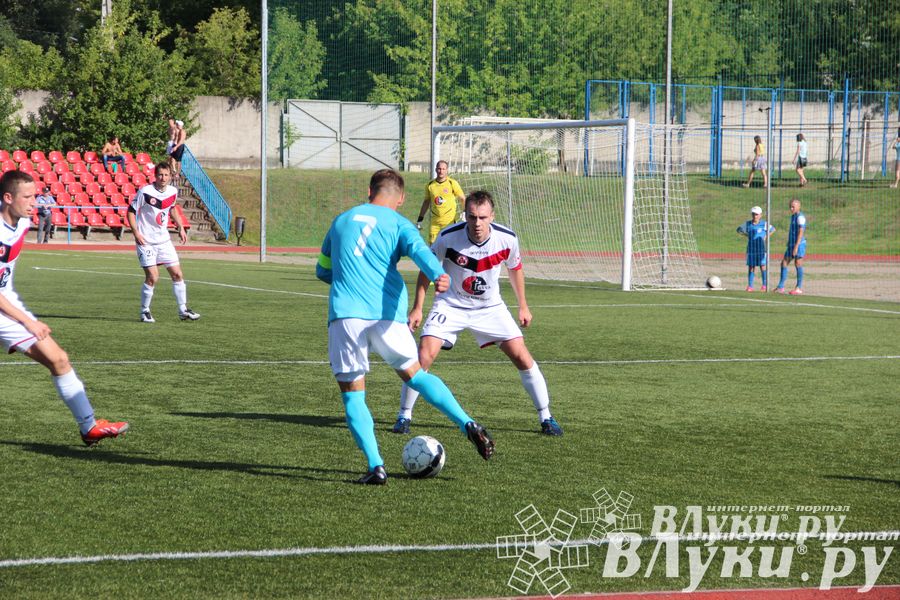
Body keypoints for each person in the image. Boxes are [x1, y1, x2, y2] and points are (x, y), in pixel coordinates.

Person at [316, 169, 494, 485]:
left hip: (345, 316)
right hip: (388, 316)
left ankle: (376, 467)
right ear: (400, 198)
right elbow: (420, 250)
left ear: (369, 191)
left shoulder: (341, 221)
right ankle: (467, 423)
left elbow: (322, 270)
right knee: (415, 375)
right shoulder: (398, 222)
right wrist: (438, 273)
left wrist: (346, 277)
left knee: (353, 396)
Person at [393, 190, 563, 437]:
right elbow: (425, 270)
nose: (477, 223)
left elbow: (515, 269)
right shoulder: (448, 237)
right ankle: (404, 415)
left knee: (522, 357)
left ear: (491, 216)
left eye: (482, 217)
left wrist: (523, 305)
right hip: (451, 304)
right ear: (466, 215)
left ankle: (546, 416)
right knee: (424, 355)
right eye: (472, 217)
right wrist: (418, 307)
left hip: (489, 307)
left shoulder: (507, 239)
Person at [0, 170, 128, 445]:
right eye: (28, 197)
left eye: (35, 196)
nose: (35, 202)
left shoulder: (21, 224)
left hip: (5, 306)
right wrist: (28, 321)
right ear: (8, 198)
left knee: (58, 359)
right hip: (6, 308)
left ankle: (89, 426)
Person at [126, 163, 200, 323]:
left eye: (166, 175)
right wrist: (136, 232)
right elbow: (131, 211)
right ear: (155, 175)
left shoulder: (173, 191)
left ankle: (183, 310)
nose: (163, 178)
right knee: (153, 277)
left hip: (164, 241)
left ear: (170, 176)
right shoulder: (145, 192)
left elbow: (172, 208)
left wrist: (180, 226)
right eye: (160, 175)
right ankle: (145, 311)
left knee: (178, 274)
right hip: (146, 241)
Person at [416, 160, 465, 244]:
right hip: (435, 223)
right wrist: (420, 219)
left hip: (449, 222)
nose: (441, 171)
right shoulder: (430, 185)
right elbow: (426, 202)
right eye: (439, 169)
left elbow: (463, 198)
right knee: (433, 247)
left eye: (443, 169)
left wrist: (465, 212)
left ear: (447, 170)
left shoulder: (452, 183)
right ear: (436, 170)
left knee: (450, 246)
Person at [736, 206, 775, 292]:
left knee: (763, 266)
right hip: (751, 249)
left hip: (761, 249)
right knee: (751, 267)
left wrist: (766, 236)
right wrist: (746, 235)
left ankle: (764, 285)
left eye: (757, 214)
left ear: (760, 215)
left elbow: (773, 229)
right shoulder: (748, 224)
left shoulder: (764, 224)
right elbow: (738, 229)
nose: (755, 216)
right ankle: (750, 286)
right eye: (753, 214)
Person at [775, 198, 806, 295]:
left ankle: (798, 287)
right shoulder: (793, 217)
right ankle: (780, 287)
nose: (791, 208)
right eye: (790, 207)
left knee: (798, 263)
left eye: (793, 206)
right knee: (784, 262)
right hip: (791, 244)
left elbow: (801, 232)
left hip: (799, 244)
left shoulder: (800, 217)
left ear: (798, 206)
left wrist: (796, 246)